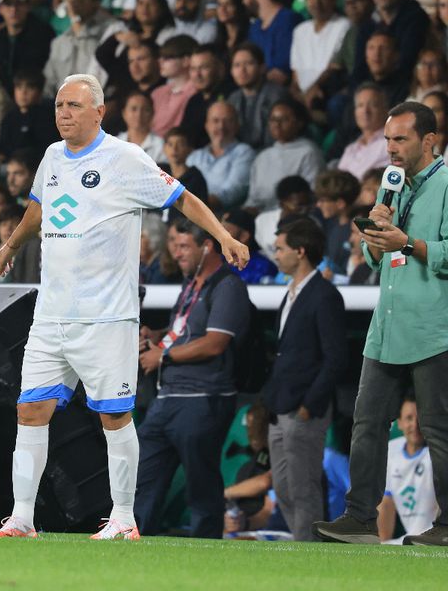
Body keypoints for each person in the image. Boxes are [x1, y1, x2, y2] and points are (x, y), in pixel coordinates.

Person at [0, 74, 249, 540]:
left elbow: (182, 198)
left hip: (106, 317)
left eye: (73, 106)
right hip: (51, 315)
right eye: (60, 105)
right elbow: (38, 209)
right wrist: (11, 244)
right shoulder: (51, 156)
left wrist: (224, 236)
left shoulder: (125, 159)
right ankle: (22, 518)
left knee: (114, 416)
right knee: (30, 411)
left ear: (98, 112)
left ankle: (124, 518)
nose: (63, 113)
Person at [315, 102, 448, 547]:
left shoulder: (447, 183)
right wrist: (375, 234)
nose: (389, 148)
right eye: (387, 139)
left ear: (429, 141)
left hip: (434, 328)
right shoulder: (393, 187)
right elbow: (376, 258)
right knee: (367, 423)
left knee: (438, 430)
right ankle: (359, 519)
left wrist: (407, 242)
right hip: (386, 326)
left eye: (400, 139)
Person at [135, 218, 250, 538]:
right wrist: (156, 337)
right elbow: (184, 332)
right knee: (144, 474)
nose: (177, 252)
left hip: (204, 398)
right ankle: (132, 540)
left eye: (184, 245)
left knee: (201, 484)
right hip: (167, 397)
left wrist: (163, 355)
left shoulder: (227, 286)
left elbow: (215, 342)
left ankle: (206, 549)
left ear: (207, 246)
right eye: (173, 244)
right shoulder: (190, 285)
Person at [264, 217, 348, 542]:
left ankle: (308, 553)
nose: (275, 254)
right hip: (280, 408)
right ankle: (303, 545)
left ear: (300, 251)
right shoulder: (291, 293)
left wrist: (309, 406)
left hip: (303, 410)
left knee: (304, 489)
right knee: (285, 488)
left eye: (280, 248)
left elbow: (336, 358)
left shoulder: (324, 295)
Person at [245, 99, 325, 211]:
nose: (277, 124)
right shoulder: (262, 157)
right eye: (273, 119)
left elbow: (312, 194)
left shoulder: (309, 152)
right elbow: (252, 199)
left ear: (299, 123)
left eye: (284, 119)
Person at [377, 397, 437, 543]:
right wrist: (382, 544)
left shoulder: (438, 453)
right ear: (400, 422)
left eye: (420, 418)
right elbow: (386, 503)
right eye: (409, 418)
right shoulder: (391, 450)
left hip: (437, 537)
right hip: (410, 538)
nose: (415, 425)